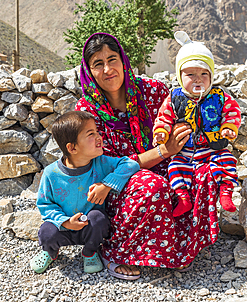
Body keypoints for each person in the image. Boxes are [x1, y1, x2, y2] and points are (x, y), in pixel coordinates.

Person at [75, 32, 221, 280]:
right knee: (152, 185)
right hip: (116, 184)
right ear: (89, 71)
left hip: (169, 167)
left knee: (204, 173)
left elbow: (184, 122)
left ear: (124, 61)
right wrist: (164, 150)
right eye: (98, 64)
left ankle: (178, 249)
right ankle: (117, 251)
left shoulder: (153, 91)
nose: (108, 69)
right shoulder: (88, 113)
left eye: (113, 59)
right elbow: (108, 167)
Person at [30, 110, 140, 275]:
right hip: (63, 227)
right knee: (46, 231)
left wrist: (107, 184)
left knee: (99, 219)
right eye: (91, 134)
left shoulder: (101, 163)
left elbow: (131, 164)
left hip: (89, 227)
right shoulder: (51, 174)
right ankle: (50, 251)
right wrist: (65, 222)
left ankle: (90, 252)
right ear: (72, 147)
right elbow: (45, 204)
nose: (99, 137)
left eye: (97, 132)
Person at [153, 31, 241, 217]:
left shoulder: (219, 96)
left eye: (203, 73)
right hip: (186, 150)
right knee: (174, 167)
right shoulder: (174, 98)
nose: (198, 79)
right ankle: (183, 198)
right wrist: (161, 132)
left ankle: (226, 192)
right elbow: (164, 117)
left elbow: (232, 112)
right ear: (179, 75)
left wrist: (228, 128)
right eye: (191, 74)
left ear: (211, 75)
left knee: (227, 161)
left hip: (213, 148)